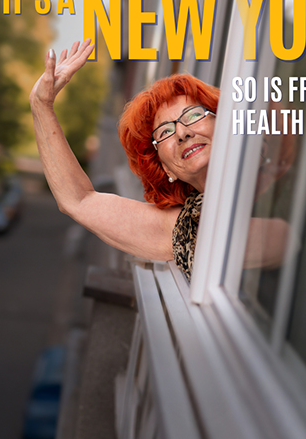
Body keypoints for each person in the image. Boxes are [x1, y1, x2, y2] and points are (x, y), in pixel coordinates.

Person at [29, 39, 290, 281]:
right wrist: (41, 105)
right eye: (164, 132)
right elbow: (79, 200)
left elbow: (289, 238)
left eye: (193, 116)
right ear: (166, 168)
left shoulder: (282, 191)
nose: (182, 132)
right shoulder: (184, 226)